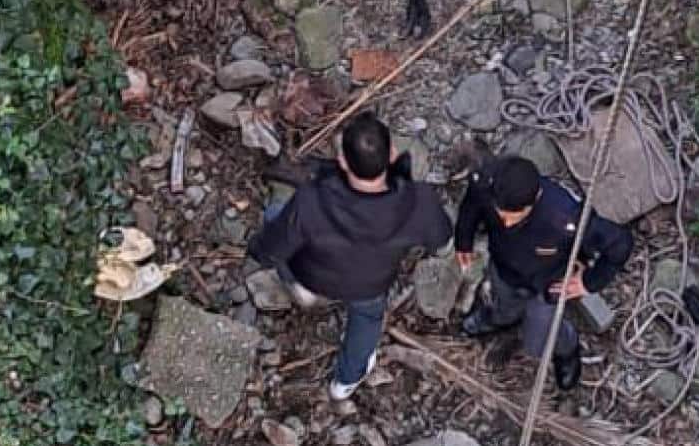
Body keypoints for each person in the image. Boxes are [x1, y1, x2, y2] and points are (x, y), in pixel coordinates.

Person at [247, 112, 451, 403]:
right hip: (369, 285)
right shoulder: (420, 202)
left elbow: (268, 253)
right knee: (367, 319)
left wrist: (258, 250)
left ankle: (302, 292)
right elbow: (442, 242)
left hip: (312, 276)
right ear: (392, 154)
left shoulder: (310, 201)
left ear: (342, 161)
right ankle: (345, 381)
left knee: (274, 214)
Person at [453, 154, 634, 396]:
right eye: (500, 211)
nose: (504, 221)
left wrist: (589, 282)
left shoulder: (565, 216)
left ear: (534, 200)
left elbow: (620, 243)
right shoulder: (489, 182)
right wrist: (463, 241)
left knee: (539, 339)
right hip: (505, 267)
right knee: (503, 303)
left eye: (514, 214)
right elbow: (472, 204)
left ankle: (566, 350)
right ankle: (497, 318)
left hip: (547, 282)